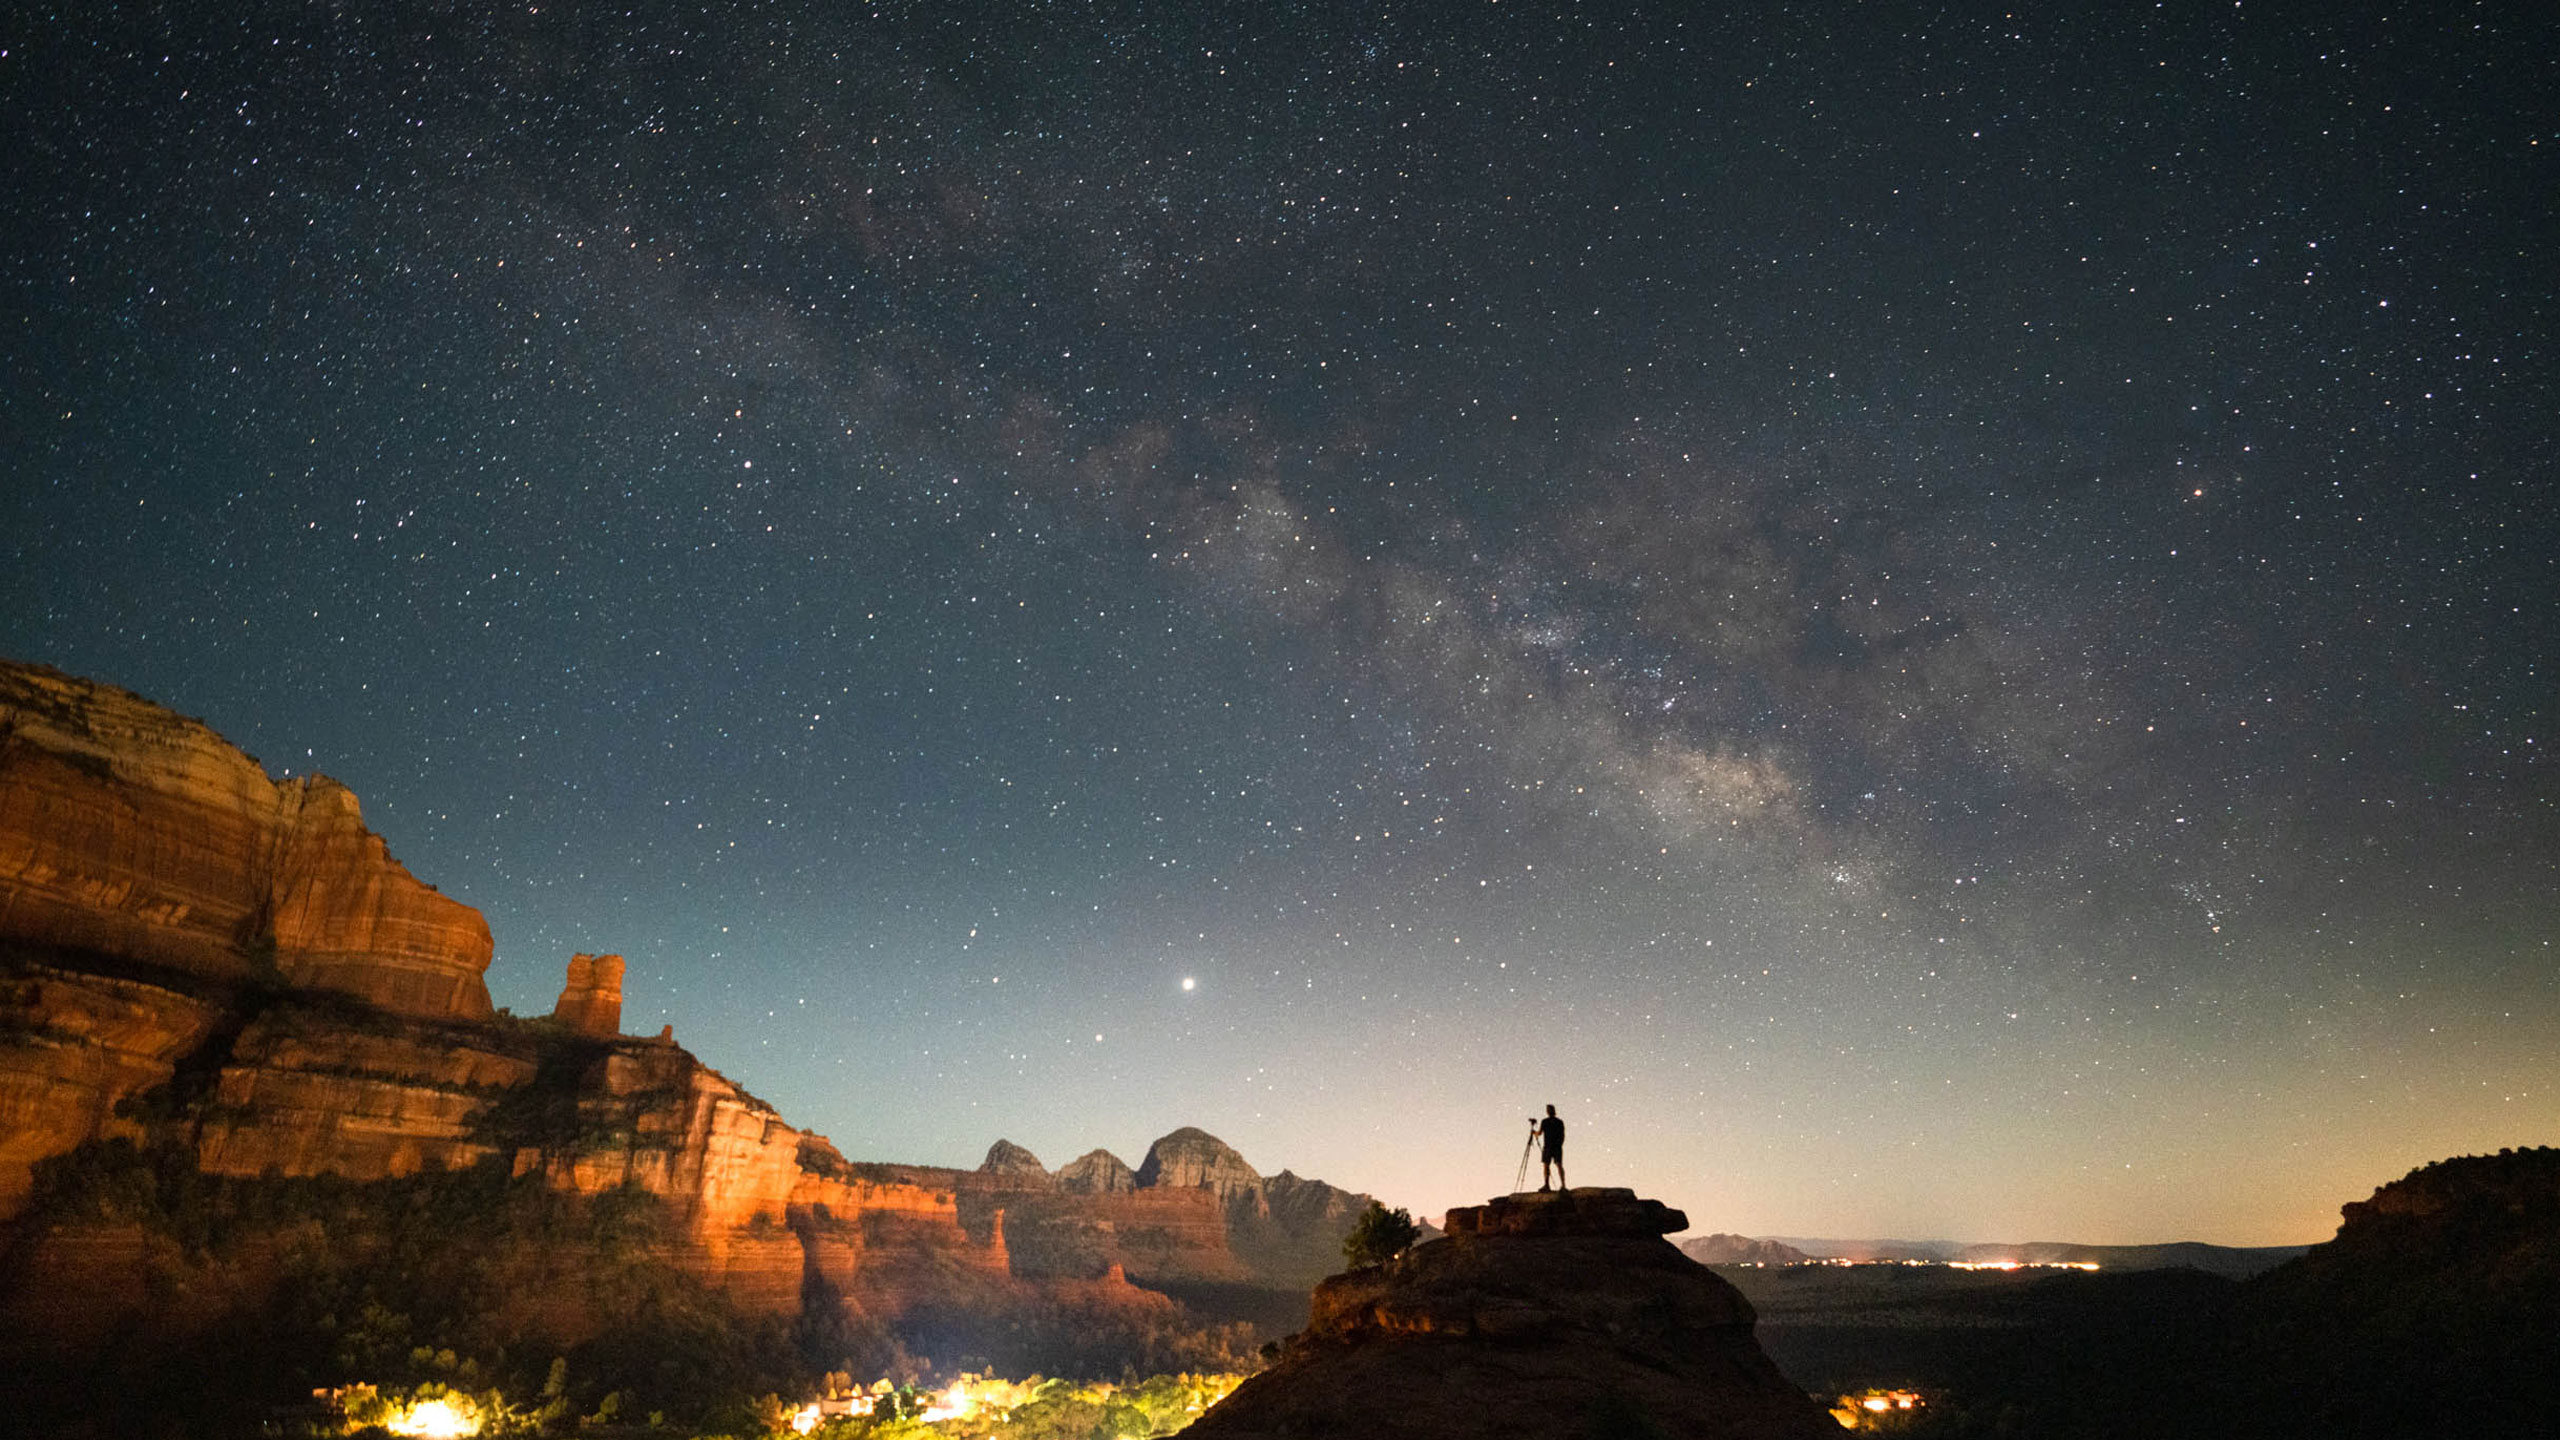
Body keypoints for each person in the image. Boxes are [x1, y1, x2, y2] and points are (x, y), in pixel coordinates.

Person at [1537, 1104, 1567, 1192]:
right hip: (1557, 1146)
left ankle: (1547, 1185)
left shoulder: (1545, 1121)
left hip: (1548, 1147)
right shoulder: (1559, 1122)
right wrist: (1560, 1144)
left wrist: (1534, 1133)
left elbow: (1539, 1133)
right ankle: (1563, 1185)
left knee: (1546, 1165)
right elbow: (1562, 1135)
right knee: (1558, 1165)